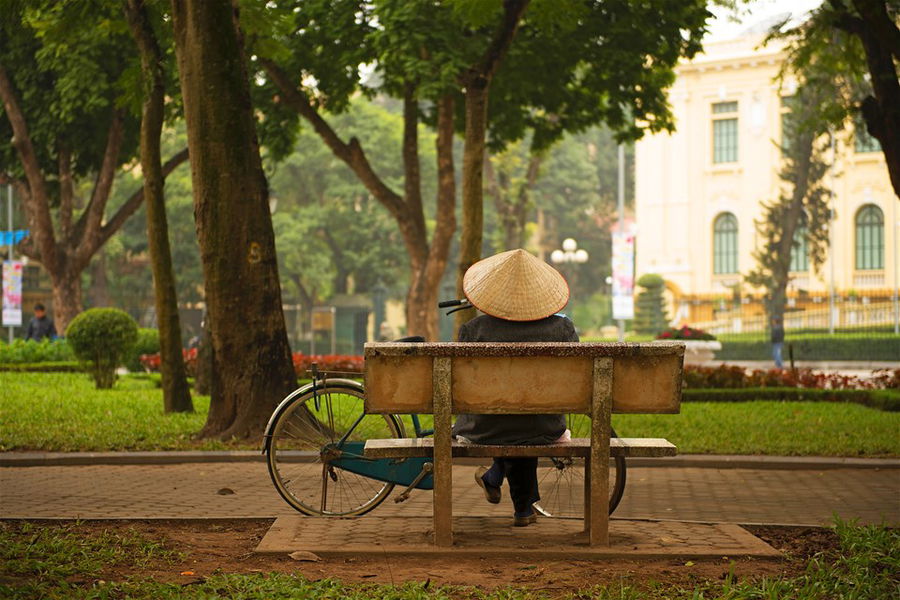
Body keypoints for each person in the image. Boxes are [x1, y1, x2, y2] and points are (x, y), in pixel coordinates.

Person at [451, 249, 577, 527]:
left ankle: (498, 478)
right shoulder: (562, 329)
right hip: (544, 425)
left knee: (506, 416)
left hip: (485, 426)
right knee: (525, 418)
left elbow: (461, 384)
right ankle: (519, 506)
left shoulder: (473, 330)